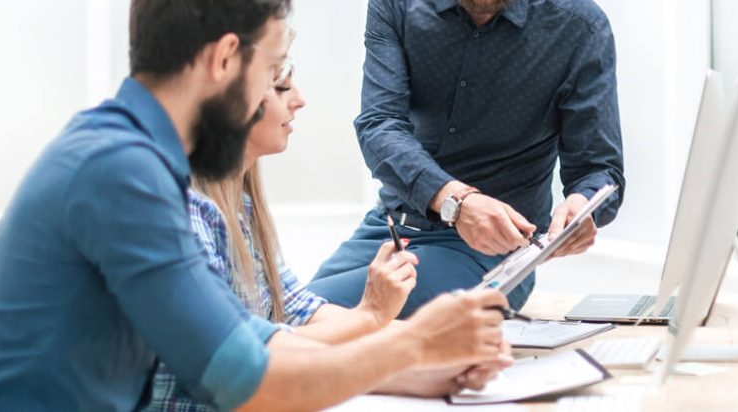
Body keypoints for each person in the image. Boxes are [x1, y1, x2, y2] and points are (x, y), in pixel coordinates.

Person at [0, 0, 511, 411]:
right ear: (225, 58)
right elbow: (249, 382)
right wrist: (413, 340)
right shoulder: (120, 173)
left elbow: (256, 345)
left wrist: (415, 369)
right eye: (272, 70)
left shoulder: (132, 161)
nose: (274, 93)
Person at [309, 0, 625, 317]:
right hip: (391, 229)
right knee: (285, 315)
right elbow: (379, 125)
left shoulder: (578, 26)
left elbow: (599, 169)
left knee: (314, 321)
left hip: (494, 257)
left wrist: (582, 207)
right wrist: (457, 202)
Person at [149, 66, 504, 409]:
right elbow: (252, 358)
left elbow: (297, 313)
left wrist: (421, 367)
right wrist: (398, 336)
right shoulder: (187, 217)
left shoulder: (240, 208)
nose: (300, 100)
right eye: (281, 86)